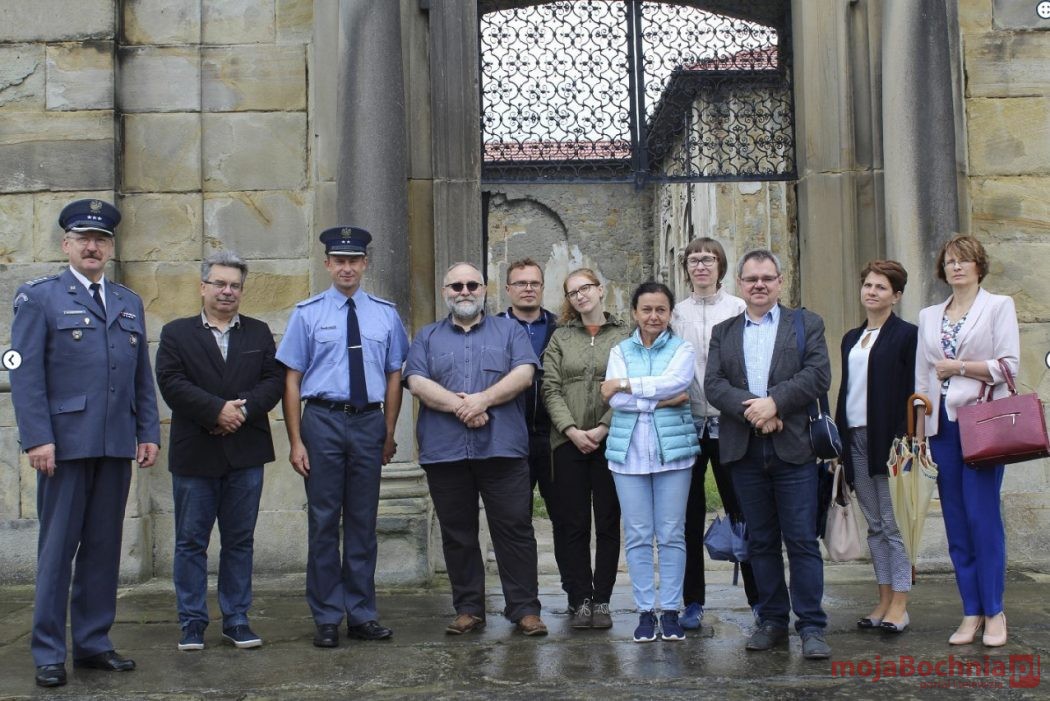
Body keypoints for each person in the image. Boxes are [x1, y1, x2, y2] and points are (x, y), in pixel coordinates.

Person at [9, 199, 160, 688]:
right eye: (84, 238)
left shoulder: (127, 301)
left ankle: (94, 642)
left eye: (101, 240)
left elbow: (140, 375)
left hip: (115, 443)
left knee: (103, 547)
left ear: (110, 248)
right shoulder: (39, 297)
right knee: (57, 551)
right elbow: (23, 373)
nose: (92, 246)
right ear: (66, 245)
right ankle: (49, 651)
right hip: (64, 445)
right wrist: (37, 438)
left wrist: (148, 432)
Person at [277, 227, 409, 648]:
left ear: (365, 263)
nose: (347, 268)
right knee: (322, 521)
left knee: (362, 521)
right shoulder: (308, 313)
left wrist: (388, 431)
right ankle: (327, 616)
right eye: (339, 260)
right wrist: (296, 441)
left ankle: (362, 613)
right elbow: (292, 378)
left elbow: (394, 374)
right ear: (328, 264)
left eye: (354, 260)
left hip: (369, 421)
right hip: (323, 421)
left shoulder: (385, 314)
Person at [404, 262, 548, 637]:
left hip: (502, 449)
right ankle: (468, 608)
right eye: (457, 286)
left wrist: (483, 399)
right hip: (446, 451)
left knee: (514, 529)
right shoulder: (427, 337)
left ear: (484, 289)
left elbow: (524, 374)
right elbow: (416, 381)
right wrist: (463, 406)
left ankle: (525, 609)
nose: (465, 291)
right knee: (458, 533)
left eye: (472, 285)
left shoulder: (510, 330)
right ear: (445, 292)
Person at [705, 248, 832, 660]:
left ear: (780, 281)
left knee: (801, 541)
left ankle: (811, 625)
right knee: (760, 541)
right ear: (740, 284)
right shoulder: (723, 331)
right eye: (751, 279)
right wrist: (756, 412)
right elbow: (714, 385)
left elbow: (817, 375)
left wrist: (774, 403)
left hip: (794, 448)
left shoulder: (806, 324)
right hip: (744, 451)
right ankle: (772, 620)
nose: (759, 285)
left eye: (766, 278)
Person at [155, 250, 284, 652]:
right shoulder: (176, 333)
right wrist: (215, 411)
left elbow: (273, 381)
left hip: (245, 452)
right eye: (220, 283)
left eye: (235, 285)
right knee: (191, 542)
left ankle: (237, 619)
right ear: (203, 287)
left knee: (239, 540)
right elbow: (171, 382)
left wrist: (240, 412)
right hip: (196, 453)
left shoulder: (258, 333)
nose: (227, 291)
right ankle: (192, 622)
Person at [915, 234, 1019, 647]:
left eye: (964, 260)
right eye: (950, 261)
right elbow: (923, 377)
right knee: (956, 523)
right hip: (942, 428)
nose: (956, 267)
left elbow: (1008, 366)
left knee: (982, 518)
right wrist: (921, 432)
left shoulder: (998, 306)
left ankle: (994, 610)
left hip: (982, 424)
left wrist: (959, 366)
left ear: (979, 266)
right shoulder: (928, 315)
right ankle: (971, 610)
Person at [600, 281, 699, 643]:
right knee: (639, 535)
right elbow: (614, 400)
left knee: (671, 534)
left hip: (673, 455)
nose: (653, 316)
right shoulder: (620, 350)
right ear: (634, 313)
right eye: (646, 309)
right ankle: (645, 611)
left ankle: (670, 610)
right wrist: (660, 399)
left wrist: (626, 385)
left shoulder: (682, 348)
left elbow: (677, 382)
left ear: (670, 313)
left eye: (661, 309)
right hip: (628, 455)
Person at [670, 237, 754, 630]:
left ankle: (759, 600)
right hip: (688, 422)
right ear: (686, 267)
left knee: (743, 512)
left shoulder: (737, 309)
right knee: (687, 516)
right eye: (693, 260)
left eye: (708, 259)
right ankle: (692, 602)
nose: (701, 266)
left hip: (730, 422)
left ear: (720, 265)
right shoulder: (677, 313)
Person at [541, 268, 628, 629]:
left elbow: (629, 384)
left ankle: (602, 600)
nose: (580, 296)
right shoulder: (561, 337)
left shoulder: (624, 335)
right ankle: (580, 599)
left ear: (600, 289)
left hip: (612, 439)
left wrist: (605, 426)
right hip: (568, 442)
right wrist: (572, 430)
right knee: (572, 523)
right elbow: (550, 387)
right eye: (572, 292)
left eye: (586, 288)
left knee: (607, 522)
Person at [833, 260, 917, 633]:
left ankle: (900, 602)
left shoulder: (906, 335)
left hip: (889, 440)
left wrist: (903, 438)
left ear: (896, 296)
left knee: (893, 524)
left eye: (881, 287)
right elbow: (847, 390)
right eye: (868, 284)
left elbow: (911, 390)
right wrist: (838, 439)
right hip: (855, 438)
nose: (872, 291)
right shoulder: (851, 338)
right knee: (875, 525)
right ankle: (883, 598)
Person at [496, 258, 558, 514]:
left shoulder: (561, 328)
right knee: (514, 516)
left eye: (534, 283)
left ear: (542, 287)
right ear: (508, 289)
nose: (528, 288)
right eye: (521, 283)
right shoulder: (493, 330)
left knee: (565, 516)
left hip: (554, 436)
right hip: (509, 435)